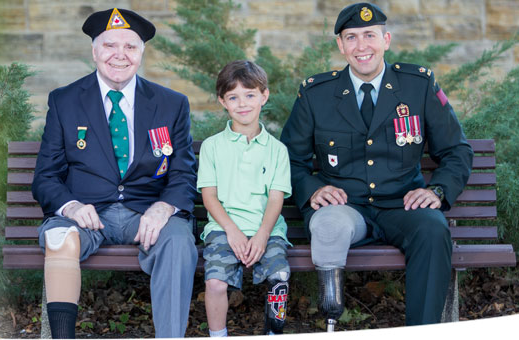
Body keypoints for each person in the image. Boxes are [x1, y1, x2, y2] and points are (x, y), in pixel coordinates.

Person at [284, 2, 472, 328]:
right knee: (330, 225)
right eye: (351, 37)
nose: (361, 46)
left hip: (402, 204)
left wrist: (438, 190)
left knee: (432, 229)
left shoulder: (418, 85)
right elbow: (288, 157)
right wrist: (311, 188)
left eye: (369, 35)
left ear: (386, 40)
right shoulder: (317, 94)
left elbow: (457, 150)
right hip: (345, 206)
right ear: (341, 46)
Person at [31, 7, 198, 338]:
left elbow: (182, 173)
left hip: (146, 213)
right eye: (110, 46)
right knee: (59, 237)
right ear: (94, 51)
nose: (120, 55)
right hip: (87, 214)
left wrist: (164, 208)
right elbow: (46, 176)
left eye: (130, 47)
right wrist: (72, 207)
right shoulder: (65, 101)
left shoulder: (171, 103)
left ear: (141, 54)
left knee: (179, 241)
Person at [197, 61, 293, 336]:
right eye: (233, 97)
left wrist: (262, 235)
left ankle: (273, 331)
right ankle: (218, 334)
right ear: (222, 102)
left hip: (268, 230)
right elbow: (210, 197)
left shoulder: (277, 150)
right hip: (223, 229)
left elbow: (276, 199)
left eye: (250, 95)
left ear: (264, 96)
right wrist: (232, 231)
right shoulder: (212, 147)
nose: (243, 104)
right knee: (216, 283)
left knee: (279, 277)